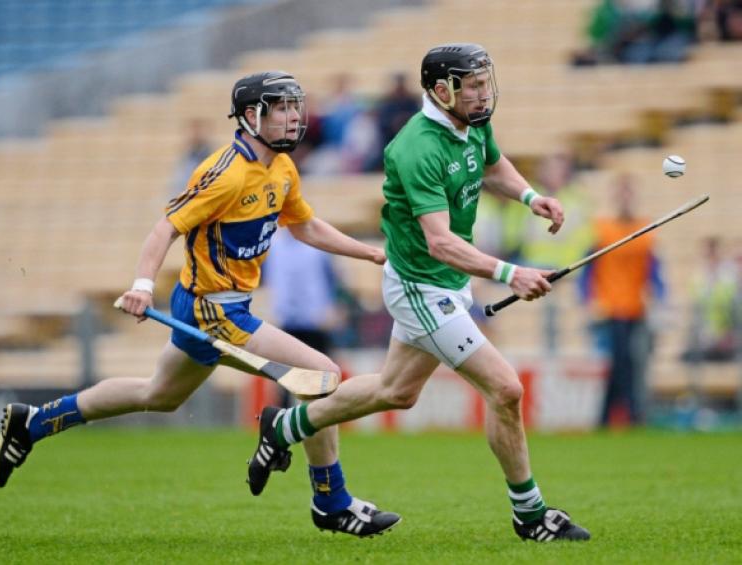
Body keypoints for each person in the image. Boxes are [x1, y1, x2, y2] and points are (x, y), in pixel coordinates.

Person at [0, 71, 401, 538]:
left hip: (221, 305)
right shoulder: (224, 172)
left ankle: (34, 423)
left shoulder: (282, 168)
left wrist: (367, 251)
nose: (293, 117)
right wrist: (143, 284)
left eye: (294, 106)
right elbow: (165, 228)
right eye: (281, 108)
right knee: (322, 378)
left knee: (159, 395)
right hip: (213, 308)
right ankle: (331, 501)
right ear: (251, 116)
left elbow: (304, 225)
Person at [247, 44, 591, 542]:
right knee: (507, 390)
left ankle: (285, 428)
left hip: (443, 283)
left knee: (396, 391)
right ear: (440, 89)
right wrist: (508, 272)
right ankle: (531, 514)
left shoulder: (471, 121)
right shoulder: (416, 147)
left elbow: (493, 166)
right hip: (421, 288)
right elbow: (441, 241)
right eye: (471, 85)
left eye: (483, 82)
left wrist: (532, 197)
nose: (482, 93)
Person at [579, 174, 665, 426]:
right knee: (614, 364)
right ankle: (612, 415)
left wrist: (659, 298)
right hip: (607, 309)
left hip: (635, 308)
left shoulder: (645, 230)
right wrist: (588, 300)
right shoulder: (602, 229)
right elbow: (587, 270)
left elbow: (654, 271)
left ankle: (624, 415)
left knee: (631, 364)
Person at [262, 228, 343, 407]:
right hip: (285, 319)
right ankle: (281, 422)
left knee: (321, 375)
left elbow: (333, 279)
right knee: (283, 377)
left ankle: (320, 417)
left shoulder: (317, 246)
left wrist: (331, 307)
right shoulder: (272, 245)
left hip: (315, 320)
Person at [681, 236, 739, 362]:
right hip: (705, 334)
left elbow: (730, 304)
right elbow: (696, 303)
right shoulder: (698, 276)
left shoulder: (729, 274)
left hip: (727, 333)